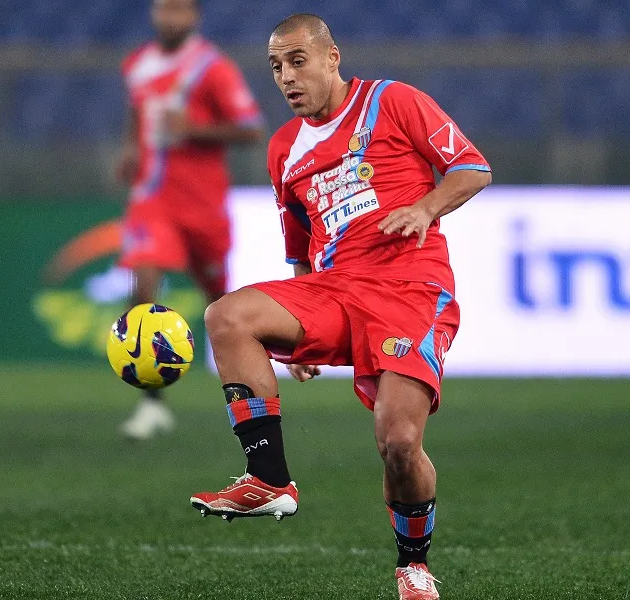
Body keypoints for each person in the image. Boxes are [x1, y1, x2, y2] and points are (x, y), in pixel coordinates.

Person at [190, 13, 491, 600]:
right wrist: (296, 330)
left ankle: (413, 565)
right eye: (276, 66)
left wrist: (426, 208)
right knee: (227, 316)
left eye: (297, 61)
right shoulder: (283, 149)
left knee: (399, 443)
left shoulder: (392, 101)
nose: (286, 77)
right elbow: (300, 246)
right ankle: (268, 479)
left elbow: (473, 169)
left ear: (333, 57)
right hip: (335, 289)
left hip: (411, 288)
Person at [116, 0, 264, 439]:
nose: (170, 17)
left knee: (220, 303)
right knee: (144, 284)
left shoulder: (211, 68)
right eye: (164, 8)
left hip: (202, 204)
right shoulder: (138, 64)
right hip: (152, 198)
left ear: (195, 17)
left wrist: (194, 129)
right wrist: (130, 148)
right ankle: (151, 403)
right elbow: (137, 111)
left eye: (180, 9)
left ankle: (248, 394)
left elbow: (251, 128)